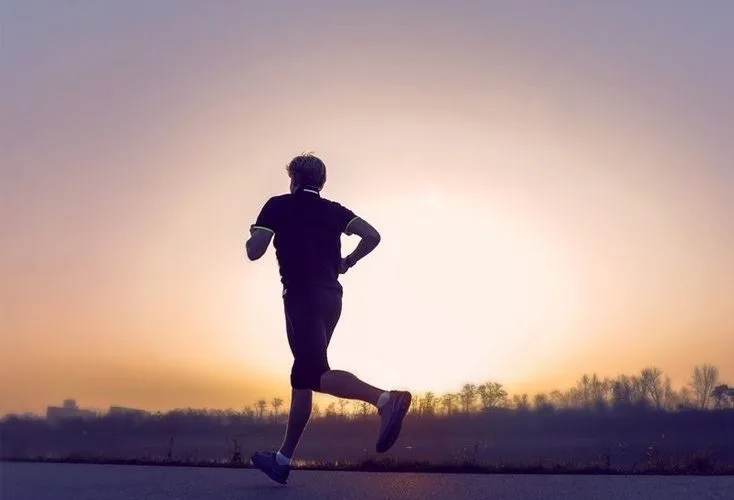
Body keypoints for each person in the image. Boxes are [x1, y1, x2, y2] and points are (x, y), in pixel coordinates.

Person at [245, 153, 412, 485]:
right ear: (321, 183)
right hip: (331, 297)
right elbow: (373, 236)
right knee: (303, 374)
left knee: (313, 372)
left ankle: (384, 399)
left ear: (293, 179)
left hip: (301, 296)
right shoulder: (334, 211)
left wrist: (253, 235)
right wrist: (347, 262)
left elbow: (255, 251)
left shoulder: (278, 206)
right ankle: (282, 460)